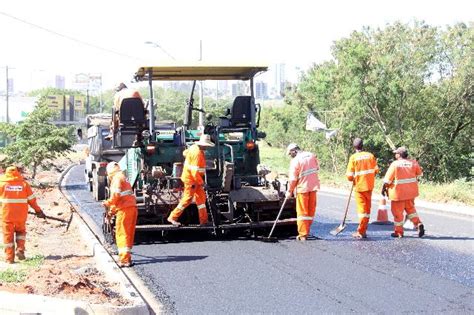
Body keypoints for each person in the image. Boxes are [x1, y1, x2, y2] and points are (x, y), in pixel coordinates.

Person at [0, 166, 46, 263]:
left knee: (8, 236)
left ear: (6, 173)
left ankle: (9, 258)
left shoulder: (1, 184)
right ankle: (20, 249)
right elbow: (32, 200)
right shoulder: (24, 184)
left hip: (6, 216)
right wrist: (38, 211)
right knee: (21, 232)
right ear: (17, 173)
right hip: (21, 215)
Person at [167, 134, 215, 227]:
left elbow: (184, 153)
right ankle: (172, 217)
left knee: (201, 199)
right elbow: (194, 172)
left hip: (194, 179)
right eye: (206, 145)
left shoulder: (193, 147)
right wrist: (202, 183)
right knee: (187, 199)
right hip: (191, 180)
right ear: (203, 145)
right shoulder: (197, 154)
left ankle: (204, 221)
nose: (207, 147)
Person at [382, 146, 425, 238]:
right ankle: (418, 224)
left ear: (399, 155)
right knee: (411, 210)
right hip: (410, 193)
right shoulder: (413, 163)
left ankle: (399, 232)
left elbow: (387, 180)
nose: (395, 155)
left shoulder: (395, 164)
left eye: (396, 153)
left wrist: (383, 188)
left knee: (398, 213)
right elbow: (420, 174)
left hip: (398, 194)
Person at [102, 162, 138, 267]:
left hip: (124, 210)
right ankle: (127, 257)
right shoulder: (122, 177)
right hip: (131, 208)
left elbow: (116, 196)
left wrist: (107, 202)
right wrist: (111, 212)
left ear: (110, 172)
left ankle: (124, 260)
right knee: (128, 234)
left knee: (121, 234)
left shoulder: (116, 179)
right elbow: (120, 199)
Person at [285, 143, 320, 241]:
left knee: (302, 213)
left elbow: (293, 179)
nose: (290, 156)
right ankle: (307, 231)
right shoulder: (311, 155)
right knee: (310, 211)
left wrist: (289, 191)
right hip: (313, 187)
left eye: (290, 154)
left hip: (302, 189)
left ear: (294, 151)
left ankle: (302, 235)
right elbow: (317, 168)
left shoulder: (295, 161)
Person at [346, 138, 379, 239]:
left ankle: (361, 231)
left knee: (362, 211)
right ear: (362, 145)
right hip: (369, 186)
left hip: (359, 187)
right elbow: (376, 170)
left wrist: (353, 178)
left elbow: (349, 176)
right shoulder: (370, 156)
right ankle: (364, 229)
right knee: (367, 210)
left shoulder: (353, 158)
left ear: (354, 147)